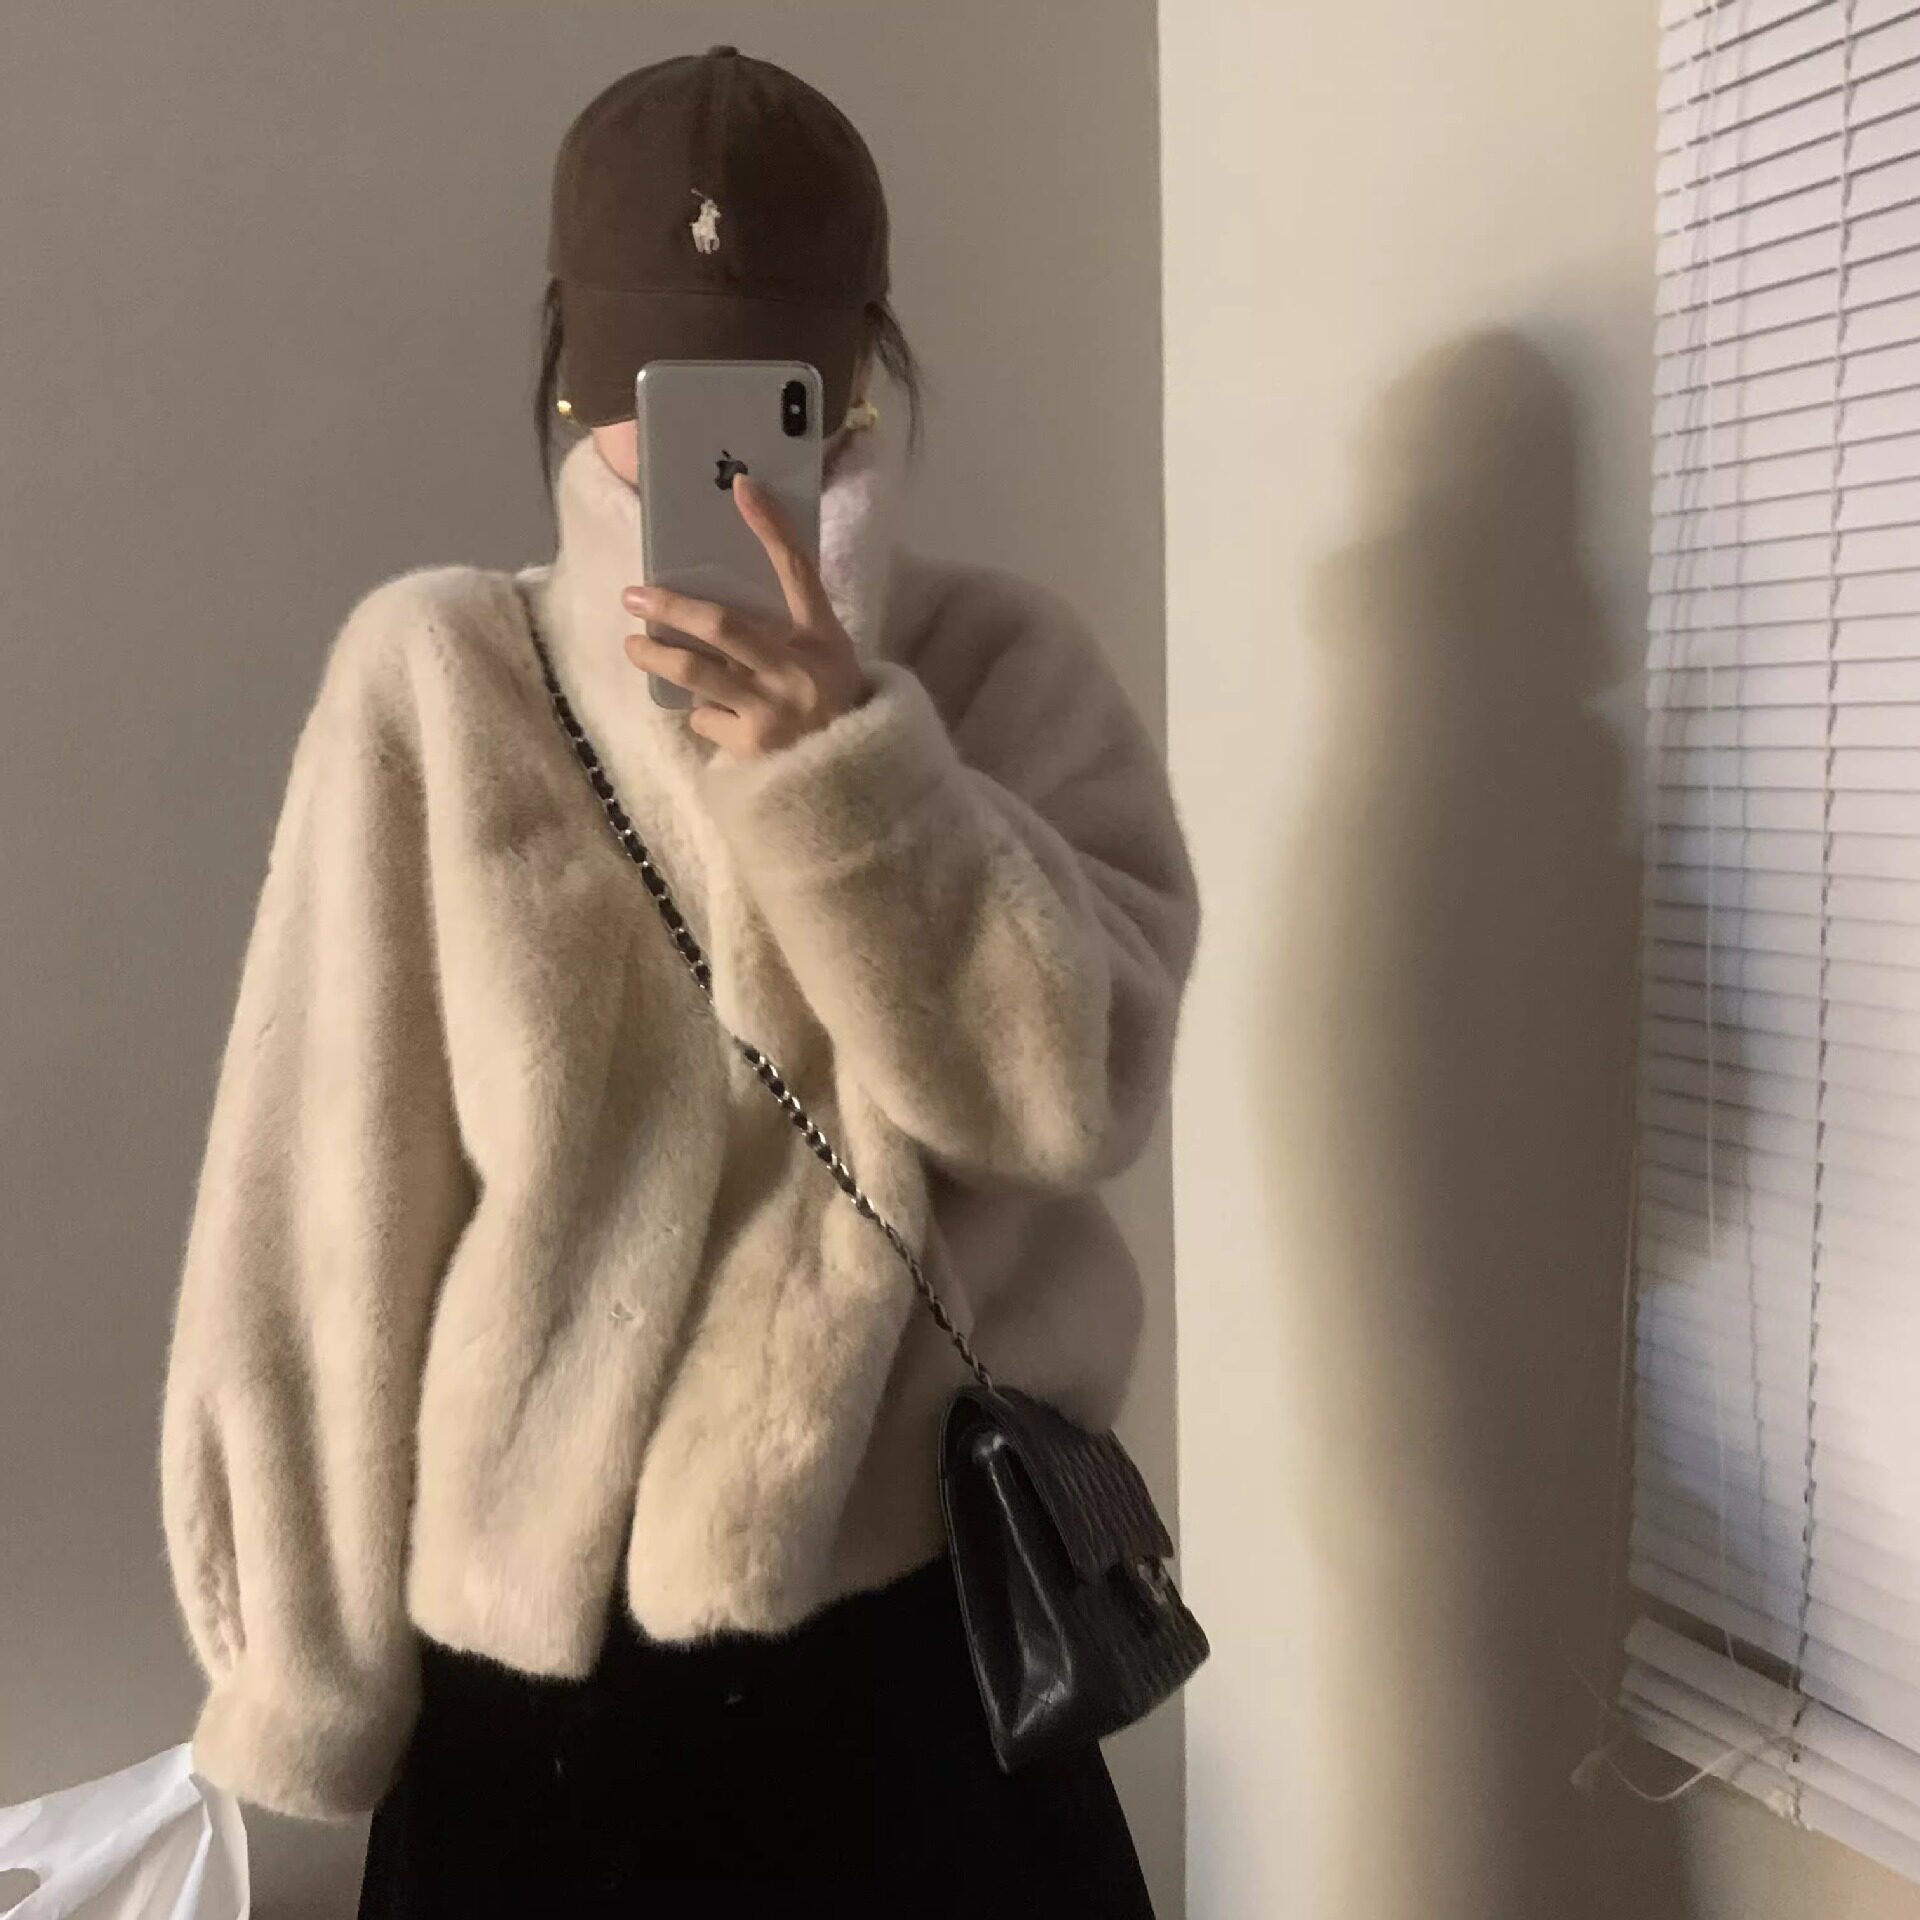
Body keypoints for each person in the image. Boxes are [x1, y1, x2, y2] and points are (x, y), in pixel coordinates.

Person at [156, 44, 1200, 1917]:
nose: (706, 453)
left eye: (769, 387)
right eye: (657, 386)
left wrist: (854, 776)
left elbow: (1075, 1097)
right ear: (573, 373)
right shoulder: (440, 679)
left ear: (859, 373)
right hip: (535, 1691)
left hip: (921, 1675)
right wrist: (308, 1665)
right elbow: (322, 1207)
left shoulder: (998, 671)